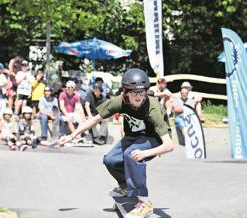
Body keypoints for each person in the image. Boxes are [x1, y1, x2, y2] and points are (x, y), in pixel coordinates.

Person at [59, 68, 173, 218]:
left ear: (146, 91)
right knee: (110, 160)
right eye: (134, 93)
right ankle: (126, 187)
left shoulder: (153, 108)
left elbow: (169, 145)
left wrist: (146, 153)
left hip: (154, 138)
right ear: (126, 92)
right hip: (133, 137)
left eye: (142, 92)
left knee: (131, 155)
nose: (138, 97)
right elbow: (95, 119)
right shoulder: (119, 101)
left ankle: (145, 203)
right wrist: (73, 135)